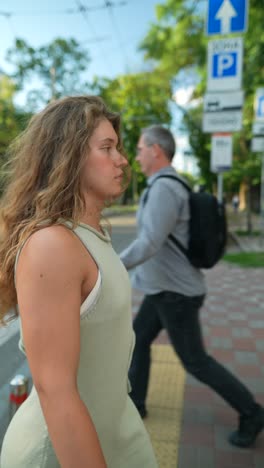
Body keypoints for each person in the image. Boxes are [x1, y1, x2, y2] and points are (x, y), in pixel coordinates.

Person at [0, 96, 158, 468]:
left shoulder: (92, 235)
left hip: (113, 432)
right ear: (68, 157)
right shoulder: (52, 245)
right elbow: (55, 391)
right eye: (107, 148)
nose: (121, 159)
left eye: (118, 147)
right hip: (58, 453)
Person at [120, 124, 264, 449]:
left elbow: (150, 242)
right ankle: (137, 403)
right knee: (138, 339)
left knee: (195, 361)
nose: (137, 155)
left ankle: (252, 412)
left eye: (141, 148)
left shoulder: (164, 189)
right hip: (163, 290)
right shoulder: (168, 185)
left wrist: (111, 265)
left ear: (156, 150)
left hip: (176, 294)